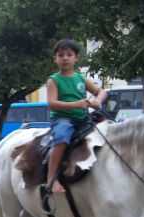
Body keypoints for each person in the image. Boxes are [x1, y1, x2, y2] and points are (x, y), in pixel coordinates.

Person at [44, 39, 107, 194]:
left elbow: (102, 92)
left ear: (76, 58)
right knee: (62, 139)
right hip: (63, 119)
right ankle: (51, 178)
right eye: (61, 55)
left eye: (69, 54)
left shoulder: (81, 78)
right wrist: (76, 104)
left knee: (106, 133)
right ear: (55, 59)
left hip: (83, 119)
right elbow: (52, 103)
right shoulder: (53, 80)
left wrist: (97, 101)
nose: (65, 58)